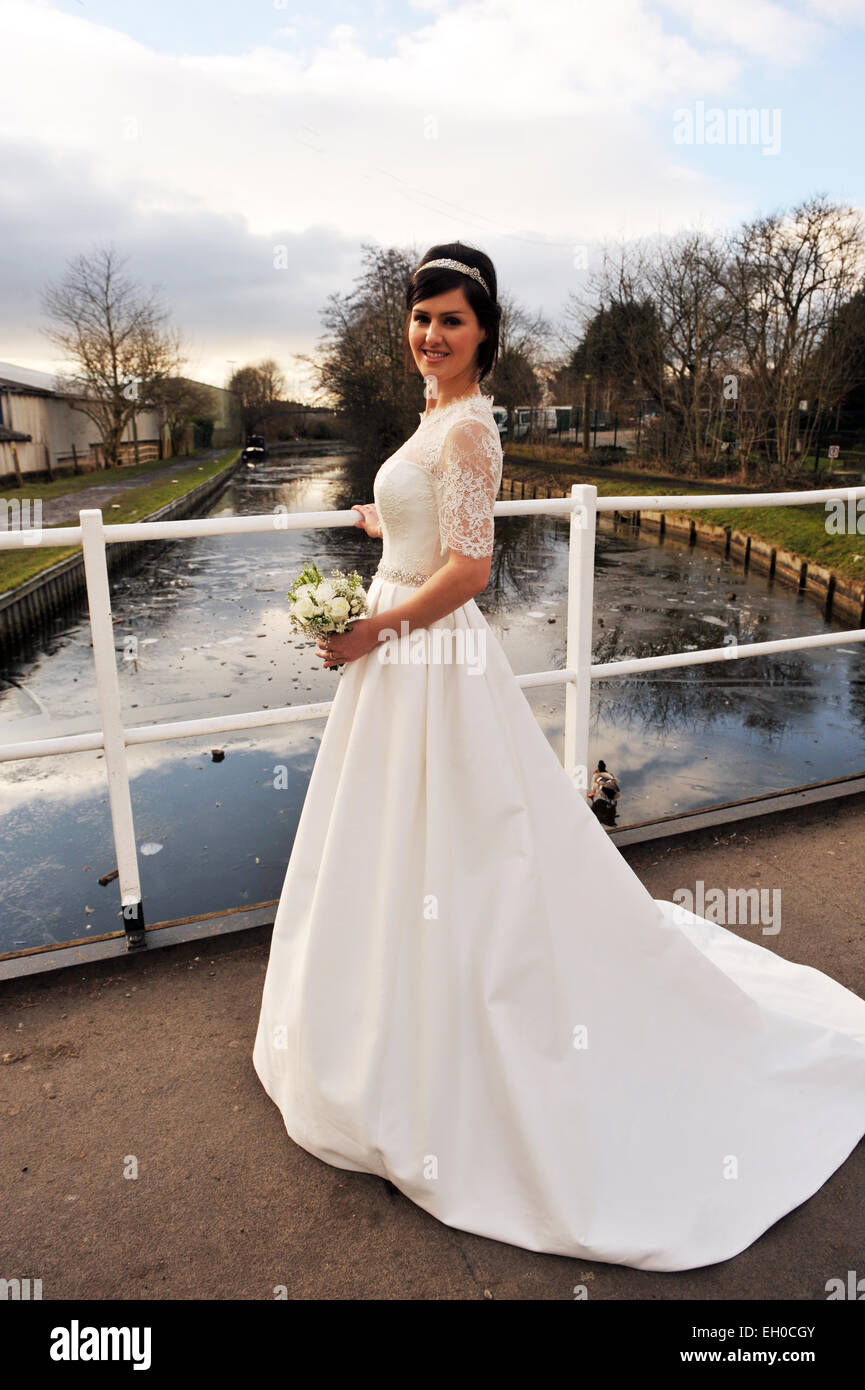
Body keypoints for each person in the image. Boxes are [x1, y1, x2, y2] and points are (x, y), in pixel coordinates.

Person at [253, 242, 865, 1272]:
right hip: (398, 660)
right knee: (396, 847)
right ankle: (389, 1025)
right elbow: (424, 528)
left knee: (467, 849)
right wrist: (376, 522)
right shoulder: (432, 420)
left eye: (450, 320)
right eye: (420, 319)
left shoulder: (475, 429)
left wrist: (373, 629)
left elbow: (472, 571)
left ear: (484, 333)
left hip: (425, 656)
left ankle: (462, 1049)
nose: (431, 334)